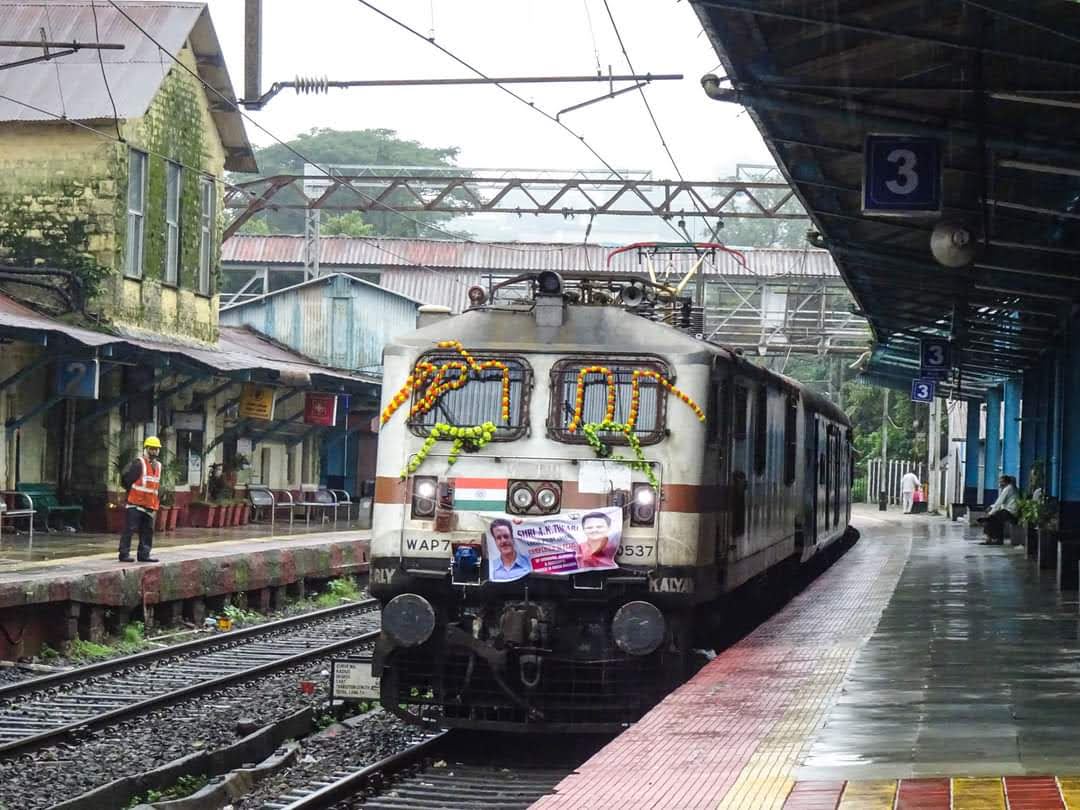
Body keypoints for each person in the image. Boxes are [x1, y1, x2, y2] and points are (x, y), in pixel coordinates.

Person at [118, 436, 162, 563]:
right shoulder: (139, 463)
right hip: (135, 504)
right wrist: (132, 493)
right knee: (129, 529)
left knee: (147, 531)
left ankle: (144, 554)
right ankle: (124, 554)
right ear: (146, 449)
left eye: (156, 449)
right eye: (151, 449)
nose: (153, 451)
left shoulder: (158, 466)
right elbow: (126, 480)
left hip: (149, 505)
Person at [979, 475, 1020, 545]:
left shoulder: (1008, 488)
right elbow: (1001, 503)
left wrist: (990, 513)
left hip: (1011, 512)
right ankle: (995, 539)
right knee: (996, 518)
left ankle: (992, 539)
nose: (1000, 484)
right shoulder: (1011, 488)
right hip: (1010, 511)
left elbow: (999, 503)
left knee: (991, 518)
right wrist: (992, 507)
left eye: (1001, 482)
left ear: (1006, 482)